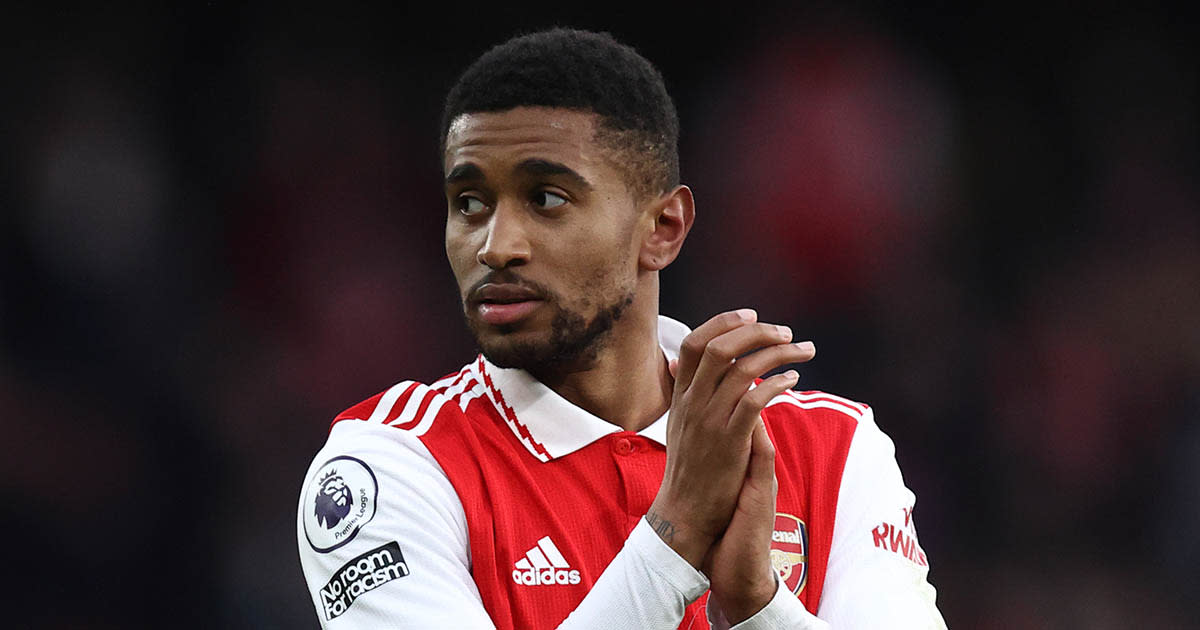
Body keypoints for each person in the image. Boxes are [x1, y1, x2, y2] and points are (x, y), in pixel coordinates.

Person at [297, 27, 946, 629]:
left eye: (546, 199)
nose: (495, 245)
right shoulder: (386, 467)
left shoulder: (833, 447)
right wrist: (676, 533)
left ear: (662, 229)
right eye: (469, 202)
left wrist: (758, 607)